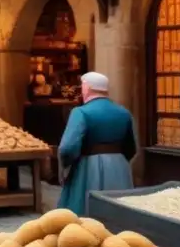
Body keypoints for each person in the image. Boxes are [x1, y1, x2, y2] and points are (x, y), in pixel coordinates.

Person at [57, 72, 138, 216]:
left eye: (82, 86)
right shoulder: (124, 113)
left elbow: (67, 148)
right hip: (119, 167)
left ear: (87, 87)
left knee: (85, 214)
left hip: (88, 168)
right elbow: (131, 147)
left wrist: (66, 166)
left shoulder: (81, 112)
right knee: (120, 213)